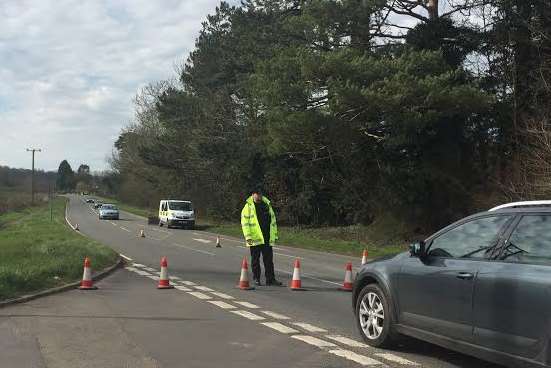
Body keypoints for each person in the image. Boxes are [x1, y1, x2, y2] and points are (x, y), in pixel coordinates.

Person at [241, 188, 282, 286]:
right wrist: (248, 238)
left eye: (260, 194)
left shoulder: (267, 205)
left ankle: (270, 279)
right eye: (257, 194)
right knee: (255, 260)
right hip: (254, 239)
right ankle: (256, 279)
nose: (259, 196)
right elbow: (245, 224)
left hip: (267, 237)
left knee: (268, 260)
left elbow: (273, 222)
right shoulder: (248, 207)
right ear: (252, 194)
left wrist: (274, 235)